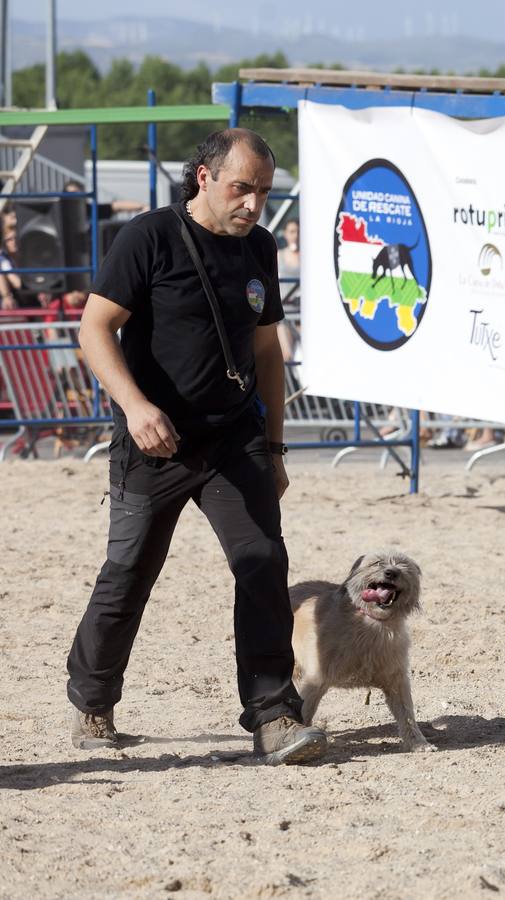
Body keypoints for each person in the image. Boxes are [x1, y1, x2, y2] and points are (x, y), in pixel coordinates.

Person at [63, 128, 325, 764]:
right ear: (204, 177)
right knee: (128, 574)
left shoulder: (259, 248)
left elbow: (267, 352)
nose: (254, 205)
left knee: (262, 561)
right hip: (155, 441)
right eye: (243, 188)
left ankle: (274, 716)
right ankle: (93, 699)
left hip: (235, 439)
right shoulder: (147, 238)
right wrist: (135, 406)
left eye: (263, 192)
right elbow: (94, 329)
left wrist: (275, 447)